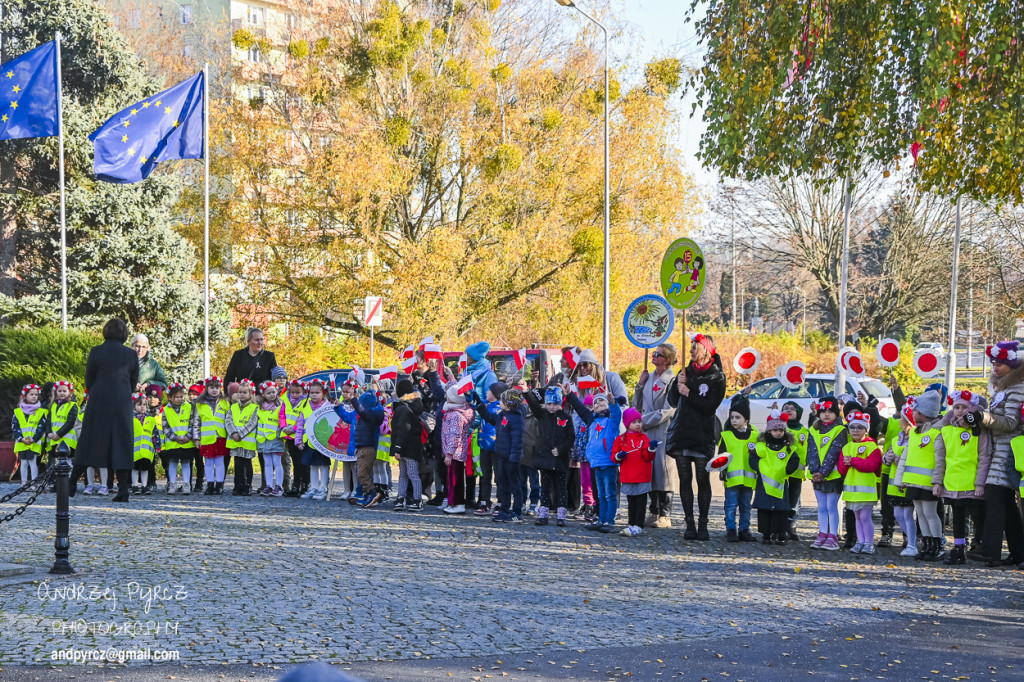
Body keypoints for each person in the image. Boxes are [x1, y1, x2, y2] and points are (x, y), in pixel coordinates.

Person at [666, 334, 727, 540]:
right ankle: (689, 523)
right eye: (690, 346)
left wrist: (688, 393)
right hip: (683, 432)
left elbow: (710, 406)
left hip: (702, 433)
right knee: (685, 478)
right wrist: (677, 384)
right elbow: (674, 401)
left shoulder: (716, 376)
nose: (691, 350)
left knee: (702, 478)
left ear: (706, 350)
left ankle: (703, 524)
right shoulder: (685, 371)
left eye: (695, 347)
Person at [972, 341, 1024, 568]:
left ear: (1012, 366)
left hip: (1008, 452)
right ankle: (1017, 552)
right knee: (1006, 506)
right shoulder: (1004, 388)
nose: (995, 368)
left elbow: (1012, 422)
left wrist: (984, 418)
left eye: (1000, 364)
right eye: (993, 363)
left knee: (995, 500)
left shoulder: (1018, 388)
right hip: (998, 450)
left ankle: (991, 550)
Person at [74, 318, 138, 503]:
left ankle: (71, 482)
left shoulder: (96, 351)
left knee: (90, 438)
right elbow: (133, 382)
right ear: (124, 333)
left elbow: (89, 378)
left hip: (99, 399)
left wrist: (96, 391)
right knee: (122, 441)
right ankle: (123, 489)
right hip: (121, 401)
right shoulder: (131, 355)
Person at [933, 390, 992, 565]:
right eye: (956, 407)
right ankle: (959, 548)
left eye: (964, 407)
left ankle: (980, 545)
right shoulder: (947, 431)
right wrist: (937, 481)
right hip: (952, 484)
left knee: (977, 517)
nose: (960, 411)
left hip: (973, 484)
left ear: (973, 409)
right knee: (958, 517)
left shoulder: (980, 432)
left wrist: (980, 483)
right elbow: (941, 459)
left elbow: (984, 458)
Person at [894, 389, 945, 561]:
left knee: (930, 514)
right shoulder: (915, 434)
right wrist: (900, 480)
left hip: (929, 483)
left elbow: (940, 460)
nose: (912, 413)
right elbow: (905, 459)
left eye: (915, 411)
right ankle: (927, 544)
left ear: (923, 413)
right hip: (913, 482)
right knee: (920, 514)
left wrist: (938, 482)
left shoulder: (936, 433)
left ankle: (937, 545)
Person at [633, 342, 678, 529]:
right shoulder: (649, 377)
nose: (653, 356)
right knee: (649, 471)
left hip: (662, 429)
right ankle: (653, 511)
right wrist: (639, 385)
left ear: (667, 359)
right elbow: (638, 403)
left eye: (658, 354)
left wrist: (645, 421)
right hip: (646, 430)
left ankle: (665, 514)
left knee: (663, 472)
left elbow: (669, 409)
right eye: (653, 353)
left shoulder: (672, 380)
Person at [567, 388, 625, 533]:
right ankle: (601, 519)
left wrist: (613, 404)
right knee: (600, 494)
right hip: (596, 462)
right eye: (596, 402)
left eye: (601, 401)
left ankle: (609, 522)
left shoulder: (611, 420)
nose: (598, 403)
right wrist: (569, 394)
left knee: (610, 494)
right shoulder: (592, 420)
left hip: (609, 462)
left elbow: (617, 413)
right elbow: (580, 408)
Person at [522, 386, 576, 527]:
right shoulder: (542, 415)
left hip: (560, 460)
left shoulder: (566, 418)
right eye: (549, 404)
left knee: (561, 487)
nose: (552, 407)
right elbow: (533, 404)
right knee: (545, 487)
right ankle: (543, 514)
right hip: (545, 458)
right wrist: (526, 391)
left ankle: (561, 515)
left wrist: (561, 449)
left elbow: (571, 437)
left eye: (555, 404)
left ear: (560, 404)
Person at [750, 409, 800, 545]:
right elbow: (753, 459)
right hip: (764, 483)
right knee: (765, 509)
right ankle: (766, 534)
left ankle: (781, 533)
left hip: (780, 483)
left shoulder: (788, 447)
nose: (778, 432)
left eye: (781, 430)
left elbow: (794, 460)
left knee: (781, 509)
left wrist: (786, 470)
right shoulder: (761, 446)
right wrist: (761, 468)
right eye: (775, 430)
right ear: (769, 431)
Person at [837, 410, 883, 554]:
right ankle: (860, 541)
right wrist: (846, 463)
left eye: (859, 427)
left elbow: (872, 465)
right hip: (852, 490)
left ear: (866, 430)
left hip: (866, 490)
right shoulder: (847, 447)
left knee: (865, 516)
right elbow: (842, 469)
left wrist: (853, 461)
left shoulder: (872, 447)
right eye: (852, 427)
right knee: (857, 516)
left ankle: (869, 543)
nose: (855, 430)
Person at [806, 396, 846, 551]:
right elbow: (812, 451)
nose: (826, 414)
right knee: (821, 506)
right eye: (823, 411)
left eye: (830, 411)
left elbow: (834, 452)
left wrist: (823, 472)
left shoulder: (840, 430)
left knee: (831, 506)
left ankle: (833, 536)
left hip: (833, 475)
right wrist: (815, 470)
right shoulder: (814, 429)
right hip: (817, 475)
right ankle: (822, 533)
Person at [611, 408, 656, 537]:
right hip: (628, 476)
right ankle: (631, 524)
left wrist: (651, 449)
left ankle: (638, 525)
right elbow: (613, 456)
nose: (638, 424)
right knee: (631, 502)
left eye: (639, 421)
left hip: (642, 475)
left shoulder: (644, 437)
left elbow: (648, 457)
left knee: (641, 502)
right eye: (634, 422)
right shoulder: (621, 439)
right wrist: (619, 456)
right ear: (627, 424)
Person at [719, 395, 758, 542]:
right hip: (732, 479)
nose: (734, 420)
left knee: (746, 506)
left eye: (738, 417)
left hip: (748, 479)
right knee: (730, 505)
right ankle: (730, 529)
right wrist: (722, 473)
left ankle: (744, 530)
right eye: (732, 417)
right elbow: (720, 457)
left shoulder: (755, 436)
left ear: (746, 420)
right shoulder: (726, 436)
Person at [883, 401, 919, 556]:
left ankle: (912, 543)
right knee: (898, 514)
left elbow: (915, 458)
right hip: (894, 483)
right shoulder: (896, 438)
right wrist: (887, 458)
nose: (899, 420)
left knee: (907, 514)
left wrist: (900, 460)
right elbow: (887, 457)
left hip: (906, 481)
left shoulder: (915, 438)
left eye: (902, 418)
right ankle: (913, 540)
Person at [441, 380, 477, 515]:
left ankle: (458, 503)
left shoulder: (456, 415)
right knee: (452, 478)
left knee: (455, 479)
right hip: (454, 451)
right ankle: (452, 502)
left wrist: (449, 453)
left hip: (455, 452)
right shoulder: (454, 411)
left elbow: (455, 435)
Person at [390, 379, 426, 511]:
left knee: (409, 474)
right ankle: (402, 497)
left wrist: (398, 448)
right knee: (407, 474)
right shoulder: (413, 405)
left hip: (406, 447)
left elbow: (402, 430)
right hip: (412, 447)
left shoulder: (403, 409)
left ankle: (416, 499)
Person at [472, 381, 507, 515]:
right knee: (485, 475)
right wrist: (474, 397)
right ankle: (484, 502)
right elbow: (479, 408)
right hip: (484, 446)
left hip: (497, 448)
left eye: (489, 391)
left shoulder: (501, 409)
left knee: (499, 476)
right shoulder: (486, 404)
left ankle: (501, 502)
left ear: (496, 394)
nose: (487, 392)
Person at [296, 378, 332, 501]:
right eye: (312, 393)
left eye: (317, 393)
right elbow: (300, 424)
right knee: (312, 465)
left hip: (323, 442)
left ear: (324, 393)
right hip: (309, 441)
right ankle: (314, 487)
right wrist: (299, 440)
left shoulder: (328, 407)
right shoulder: (305, 406)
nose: (314, 395)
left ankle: (323, 487)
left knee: (323, 464)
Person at [350, 386, 386, 507]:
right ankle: (368, 494)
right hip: (363, 447)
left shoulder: (370, 416)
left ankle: (371, 493)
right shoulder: (369, 416)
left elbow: (361, 410)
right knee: (364, 472)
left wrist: (353, 399)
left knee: (362, 473)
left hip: (367, 448)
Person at [161, 383, 199, 495]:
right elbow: (165, 427)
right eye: (176, 397)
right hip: (173, 443)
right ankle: (172, 484)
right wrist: (174, 437)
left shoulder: (188, 407)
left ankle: (186, 484)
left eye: (181, 397)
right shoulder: (166, 410)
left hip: (187, 442)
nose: (179, 399)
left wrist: (188, 436)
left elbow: (193, 422)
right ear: (170, 397)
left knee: (186, 463)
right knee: (172, 462)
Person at [196, 376, 229, 495]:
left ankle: (219, 484)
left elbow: (228, 420)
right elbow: (196, 422)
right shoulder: (199, 404)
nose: (214, 390)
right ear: (206, 388)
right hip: (207, 438)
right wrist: (196, 438)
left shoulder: (225, 403)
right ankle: (210, 485)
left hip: (221, 437)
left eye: (217, 387)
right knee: (209, 462)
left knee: (220, 461)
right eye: (211, 387)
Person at [782, 400, 810, 540]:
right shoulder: (780, 428)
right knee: (782, 498)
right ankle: (782, 526)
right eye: (785, 408)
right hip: (781, 473)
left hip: (797, 473)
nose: (789, 410)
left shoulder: (804, 431)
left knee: (794, 500)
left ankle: (792, 526)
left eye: (792, 408)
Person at [227, 379, 260, 496]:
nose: (242, 394)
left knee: (247, 463)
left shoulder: (254, 408)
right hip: (235, 440)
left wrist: (240, 434)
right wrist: (233, 433)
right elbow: (228, 421)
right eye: (240, 392)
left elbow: (252, 423)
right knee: (238, 463)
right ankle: (238, 484)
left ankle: (248, 485)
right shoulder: (233, 407)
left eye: (245, 392)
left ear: (251, 394)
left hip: (247, 441)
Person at [256, 380, 286, 496]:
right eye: (268, 393)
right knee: (267, 463)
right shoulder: (260, 407)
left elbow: (283, 419)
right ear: (263, 394)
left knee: (277, 462)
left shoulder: (281, 405)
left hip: (276, 438)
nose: (272, 395)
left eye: (273, 392)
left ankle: (279, 486)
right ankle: (268, 485)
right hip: (263, 439)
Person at [280, 379, 309, 497]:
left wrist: (294, 428)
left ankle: (305, 485)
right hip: (288, 435)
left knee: (303, 462)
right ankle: (295, 485)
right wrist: (283, 427)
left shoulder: (306, 402)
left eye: (298, 393)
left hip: (300, 435)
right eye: (293, 392)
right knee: (295, 462)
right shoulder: (285, 399)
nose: (295, 395)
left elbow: (303, 417)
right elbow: (281, 414)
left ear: (303, 391)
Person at [12, 384, 45, 489]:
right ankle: (24, 482)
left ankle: (34, 482)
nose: (34, 396)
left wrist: (34, 439)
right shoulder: (18, 412)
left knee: (33, 462)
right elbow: (15, 426)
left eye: (36, 394)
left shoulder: (41, 412)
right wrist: (20, 438)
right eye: (31, 394)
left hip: (34, 442)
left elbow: (41, 427)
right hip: (22, 442)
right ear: (25, 396)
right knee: (24, 462)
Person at [131, 393, 158, 493]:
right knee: (134, 469)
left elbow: (155, 434)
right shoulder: (131, 419)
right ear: (134, 406)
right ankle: (134, 486)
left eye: (144, 405)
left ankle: (144, 485)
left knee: (145, 469)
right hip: (134, 450)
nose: (142, 407)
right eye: (139, 405)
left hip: (146, 450)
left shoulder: (150, 419)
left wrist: (157, 446)